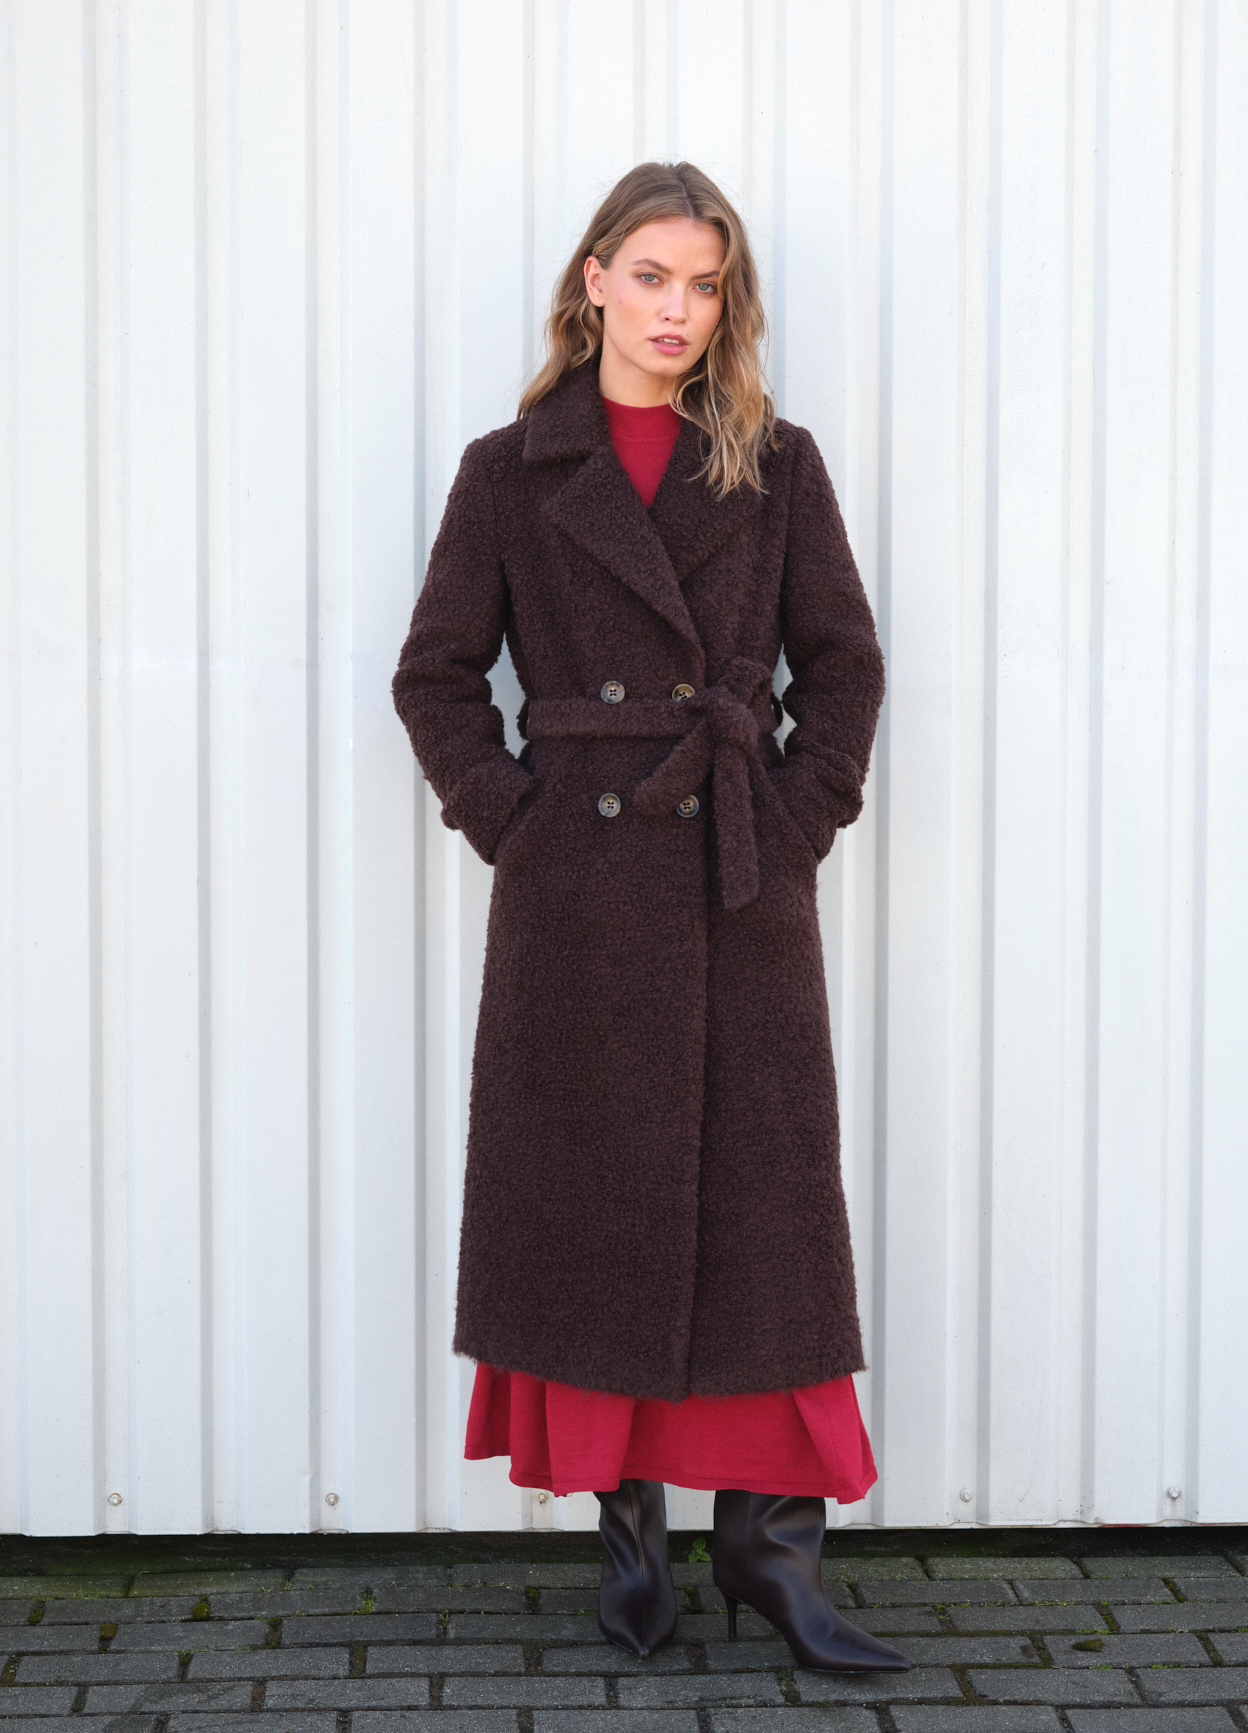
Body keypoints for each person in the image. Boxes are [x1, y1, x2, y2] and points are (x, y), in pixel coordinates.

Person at [392, 160, 906, 1674]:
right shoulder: (510, 473)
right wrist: (520, 822)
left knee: (767, 1220)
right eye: (654, 276)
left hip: (735, 881)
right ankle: (631, 1535)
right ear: (595, 280)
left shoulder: (776, 464)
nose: (679, 309)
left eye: (706, 285)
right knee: (596, 1214)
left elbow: (845, 666)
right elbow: (434, 678)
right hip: (581, 900)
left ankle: (769, 1547)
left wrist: (798, 819)